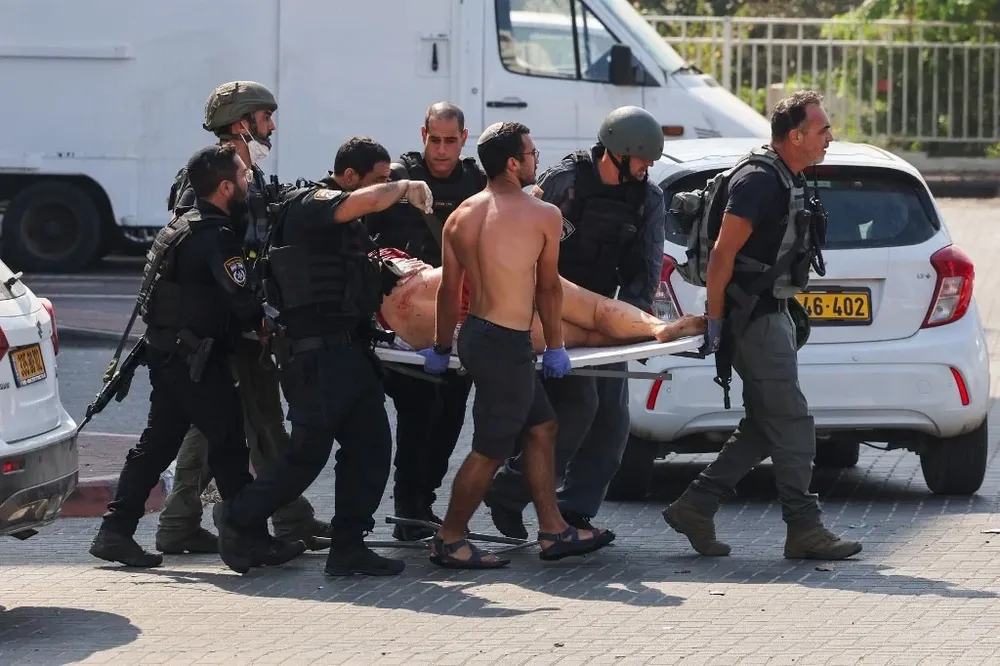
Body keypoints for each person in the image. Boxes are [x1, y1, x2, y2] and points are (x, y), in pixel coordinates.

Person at [212, 136, 435, 576]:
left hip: (349, 351)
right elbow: (357, 203)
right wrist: (405, 187)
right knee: (305, 457)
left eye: (388, 180)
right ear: (348, 177)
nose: (383, 188)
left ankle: (349, 546)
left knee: (371, 448)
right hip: (314, 359)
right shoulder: (312, 203)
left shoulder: (347, 221)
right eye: (377, 180)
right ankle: (236, 516)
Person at [662, 90, 863, 561]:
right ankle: (804, 528)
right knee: (793, 423)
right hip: (753, 318)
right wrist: (714, 321)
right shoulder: (757, 180)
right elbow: (722, 254)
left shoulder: (783, 175)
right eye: (822, 131)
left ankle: (695, 505)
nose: (830, 138)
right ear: (795, 136)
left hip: (771, 315)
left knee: (762, 425)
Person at [89, 144, 305, 569]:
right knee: (227, 445)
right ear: (224, 187)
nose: (248, 181)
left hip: (170, 355)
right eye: (243, 176)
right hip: (194, 362)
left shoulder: (181, 226)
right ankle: (249, 540)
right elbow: (240, 302)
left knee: (158, 444)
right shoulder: (214, 236)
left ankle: (114, 532)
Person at [418, 121, 616, 569]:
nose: (534, 160)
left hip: (478, 337)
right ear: (512, 163)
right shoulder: (542, 215)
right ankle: (449, 538)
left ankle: (553, 530)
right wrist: (558, 346)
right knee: (490, 448)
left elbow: (450, 292)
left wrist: (440, 347)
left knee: (542, 427)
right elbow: (549, 290)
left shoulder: (461, 214)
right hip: (506, 344)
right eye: (530, 154)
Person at [156, 80, 333, 555]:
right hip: (224, 326)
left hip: (245, 320)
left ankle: (274, 516)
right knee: (244, 421)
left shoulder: (249, 175)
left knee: (251, 421)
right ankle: (275, 518)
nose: (271, 125)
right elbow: (202, 250)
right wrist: (243, 314)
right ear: (242, 123)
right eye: (265, 117)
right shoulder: (210, 177)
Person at [484, 106, 667, 539]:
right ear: (617, 154)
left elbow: (647, 267)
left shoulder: (648, 199)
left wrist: (637, 332)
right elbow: (519, 241)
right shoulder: (562, 184)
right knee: (575, 411)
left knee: (613, 421)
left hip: (603, 315)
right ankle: (510, 494)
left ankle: (574, 512)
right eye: (642, 159)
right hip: (546, 309)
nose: (648, 168)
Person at [366, 102, 486, 542]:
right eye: (434, 139)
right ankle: (408, 504)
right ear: (423, 135)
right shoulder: (397, 180)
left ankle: (423, 500)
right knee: (420, 412)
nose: (441, 150)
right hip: (403, 326)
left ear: (464, 138)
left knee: (452, 414)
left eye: (450, 141)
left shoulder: (476, 181)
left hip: (458, 322)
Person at [373, 247, 704, 351]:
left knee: (586, 337)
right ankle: (656, 326)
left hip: (467, 330)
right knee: (594, 310)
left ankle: (653, 331)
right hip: (477, 277)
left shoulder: (376, 321)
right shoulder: (385, 255)